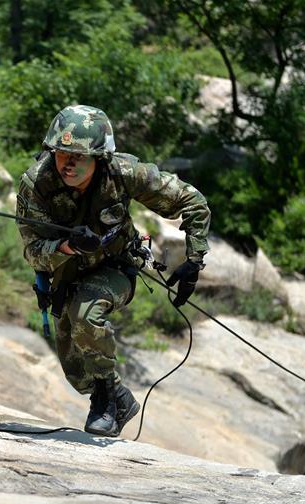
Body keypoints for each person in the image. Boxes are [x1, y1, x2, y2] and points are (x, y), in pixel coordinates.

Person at [16, 105, 211, 437]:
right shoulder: (37, 184)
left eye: (80, 155)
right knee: (77, 371)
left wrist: (193, 261)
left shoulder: (124, 172)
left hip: (116, 265)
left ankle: (107, 400)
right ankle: (117, 395)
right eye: (62, 153)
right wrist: (67, 247)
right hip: (67, 270)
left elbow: (192, 202)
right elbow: (33, 253)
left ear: (99, 157)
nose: (68, 163)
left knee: (85, 314)